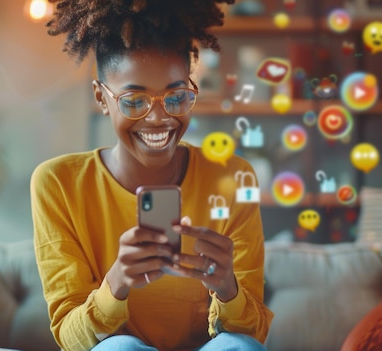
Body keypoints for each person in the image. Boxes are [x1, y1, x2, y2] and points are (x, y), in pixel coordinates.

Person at [30, 1, 274, 350]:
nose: (159, 118)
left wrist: (227, 288)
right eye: (133, 101)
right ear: (101, 98)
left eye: (176, 97)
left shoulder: (234, 177)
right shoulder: (58, 183)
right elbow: (71, 340)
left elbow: (254, 335)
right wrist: (116, 283)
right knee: (119, 348)